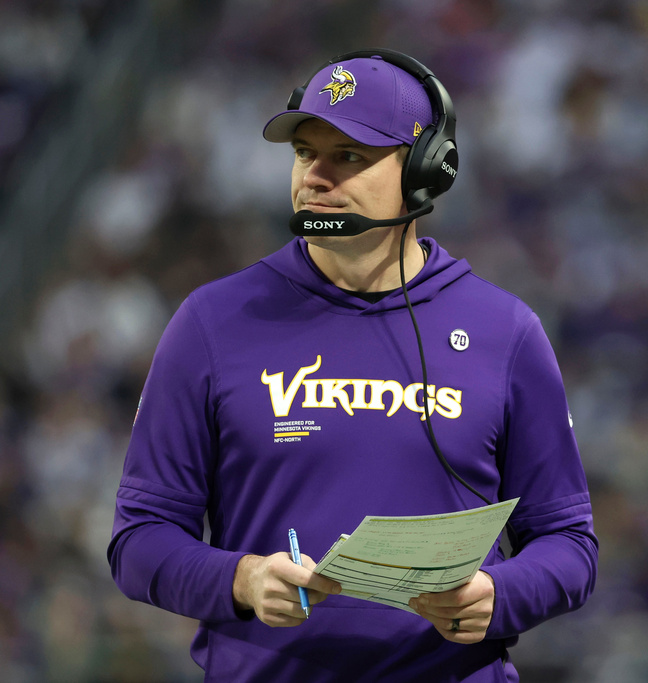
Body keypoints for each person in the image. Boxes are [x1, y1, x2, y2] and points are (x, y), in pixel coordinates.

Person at [108, 48, 598, 682]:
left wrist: (500, 595)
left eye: (349, 157)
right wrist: (241, 578)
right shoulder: (212, 322)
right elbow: (139, 541)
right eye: (306, 153)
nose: (316, 176)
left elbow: (569, 546)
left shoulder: (506, 332)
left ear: (426, 171)